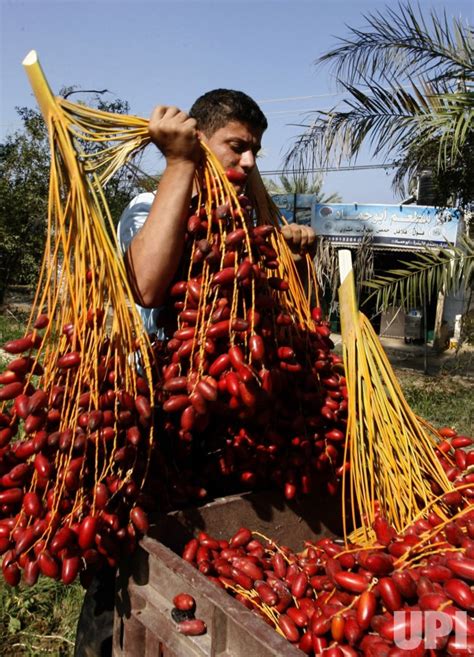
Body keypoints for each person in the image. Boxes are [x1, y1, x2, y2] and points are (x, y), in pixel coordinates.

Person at [74, 89, 316, 657]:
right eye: (237, 146)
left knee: (188, 575)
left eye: (256, 150)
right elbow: (149, 286)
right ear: (201, 139)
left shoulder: (246, 224)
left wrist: (292, 253)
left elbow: (285, 319)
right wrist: (180, 162)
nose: (250, 161)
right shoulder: (154, 200)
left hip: (207, 431)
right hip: (143, 424)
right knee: (119, 581)